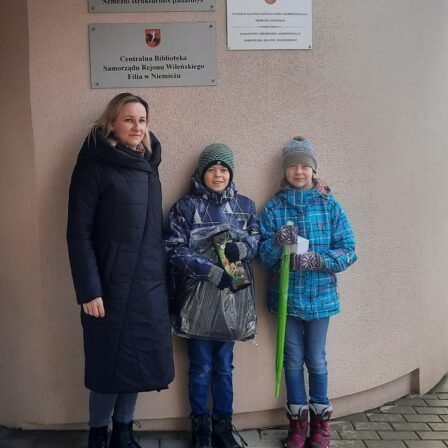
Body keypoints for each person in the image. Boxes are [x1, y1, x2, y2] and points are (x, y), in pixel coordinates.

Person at [66, 93, 175, 448]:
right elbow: (78, 233)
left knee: (136, 362)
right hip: (108, 287)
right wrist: (89, 289)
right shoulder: (93, 165)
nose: (137, 126)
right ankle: (99, 435)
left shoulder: (149, 165)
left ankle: (124, 433)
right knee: (107, 365)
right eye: (128, 119)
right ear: (111, 122)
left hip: (147, 285)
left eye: (142, 120)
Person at [258, 137, 357, 448]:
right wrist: (277, 242)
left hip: (320, 297)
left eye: (304, 166)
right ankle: (297, 426)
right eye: (292, 166)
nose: (298, 171)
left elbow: (349, 250)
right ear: (284, 170)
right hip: (286, 298)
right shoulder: (274, 208)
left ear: (314, 169)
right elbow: (262, 255)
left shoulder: (330, 206)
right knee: (291, 359)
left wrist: (318, 260)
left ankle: (320, 425)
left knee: (316, 359)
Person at [165, 143, 260, 448]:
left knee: (224, 366)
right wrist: (209, 270)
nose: (218, 175)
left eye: (223, 169)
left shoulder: (244, 206)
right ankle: (201, 429)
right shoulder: (185, 207)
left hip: (232, 301)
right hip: (197, 301)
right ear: (201, 172)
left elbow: (257, 239)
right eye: (211, 169)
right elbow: (173, 249)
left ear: (231, 173)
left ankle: (223, 426)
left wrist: (242, 248)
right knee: (200, 366)